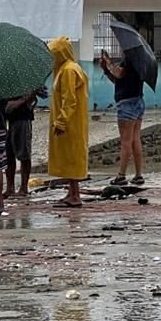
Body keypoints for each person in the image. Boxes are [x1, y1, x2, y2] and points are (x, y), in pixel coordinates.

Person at [48, 37, 89, 208]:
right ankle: (72, 192)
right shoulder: (66, 69)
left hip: (71, 123)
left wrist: (61, 121)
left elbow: (69, 99)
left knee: (72, 157)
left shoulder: (68, 71)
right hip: (70, 121)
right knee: (68, 157)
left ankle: (75, 196)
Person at [100, 50, 146, 186]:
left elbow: (119, 73)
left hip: (127, 105)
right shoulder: (141, 61)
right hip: (138, 101)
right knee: (135, 139)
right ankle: (138, 174)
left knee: (126, 141)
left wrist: (108, 63)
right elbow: (118, 81)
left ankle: (121, 175)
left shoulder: (131, 59)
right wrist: (106, 70)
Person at [4, 87, 45, 198]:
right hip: (6, 118)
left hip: (22, 117)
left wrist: (19, 102)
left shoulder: (26, 77)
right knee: (8, 155)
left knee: (24, 154)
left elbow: (37, 90)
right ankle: (10, 188)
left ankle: (23, 187)